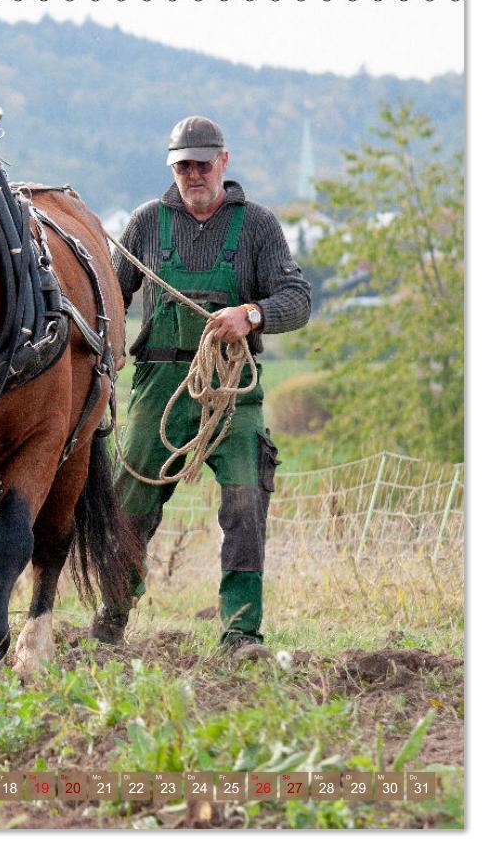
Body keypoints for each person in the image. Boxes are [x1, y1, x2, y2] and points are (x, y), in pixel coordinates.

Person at [97, 115, 312, 658]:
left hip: (234, 392)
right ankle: (112, 615)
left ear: (223, 162)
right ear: (173, 168)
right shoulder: (147, 223)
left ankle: (241, 634)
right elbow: (112, 301)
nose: (193, 173)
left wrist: (253, 315)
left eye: (201, 162)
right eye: (183, 165)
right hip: (160, 384)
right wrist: (98, 357)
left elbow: (297, 299)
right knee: (130, 502)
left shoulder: (258, 226)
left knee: (245, 500)